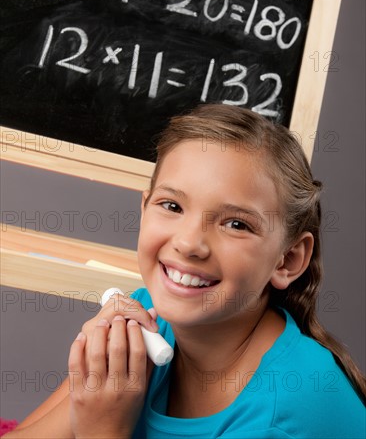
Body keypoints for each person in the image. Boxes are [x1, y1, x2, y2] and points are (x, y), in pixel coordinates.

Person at [4, 104, 365, 438]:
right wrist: (91, 388)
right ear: (144, 210)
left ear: (287, 259)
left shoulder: (290, 414)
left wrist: (103, 426)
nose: (190, 243)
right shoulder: (147, 318)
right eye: (172, 205)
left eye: (237, 224)